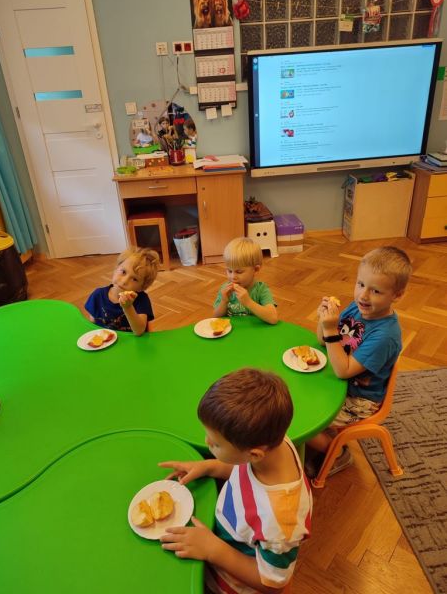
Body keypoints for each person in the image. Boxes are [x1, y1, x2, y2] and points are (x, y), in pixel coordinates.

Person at [159, 368, 312, 594]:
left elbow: (272, 583)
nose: (206, 441)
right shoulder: (273, 444)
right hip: (221, 534)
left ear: (254, 454)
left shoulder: (281, 522)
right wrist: (209, 466)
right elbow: (243, 469)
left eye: (215, 444)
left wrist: (212, 549)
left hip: (229, 583)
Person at [306, 246, 412, 476]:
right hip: (340, 380)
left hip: (359, 399)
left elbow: (343, 371)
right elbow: (323, 340)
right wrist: (324, 320)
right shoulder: (357, 307)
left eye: (375, 291)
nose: (363, 295)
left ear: (397, 295)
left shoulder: (385, 335)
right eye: (361, 284)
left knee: (301, 416)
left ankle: (338, 453)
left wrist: (331, 330)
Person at [84, 247, 159, 335]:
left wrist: (128, 307)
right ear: (116, 269)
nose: (124, 281)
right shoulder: (98, 295)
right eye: (123, 272)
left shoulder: (141, 300)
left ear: (142, 287)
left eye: (134, 279)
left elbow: (139, 331)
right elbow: (92, 326)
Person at [213, 237, 278, 324]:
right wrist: (224, 301)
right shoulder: (225, 289)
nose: (233, 277)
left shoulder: (261, 289)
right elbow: (216, 317)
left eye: (239, 272)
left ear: (255, 269)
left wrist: (248, 302)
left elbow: (273, 318)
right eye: (229, 271)